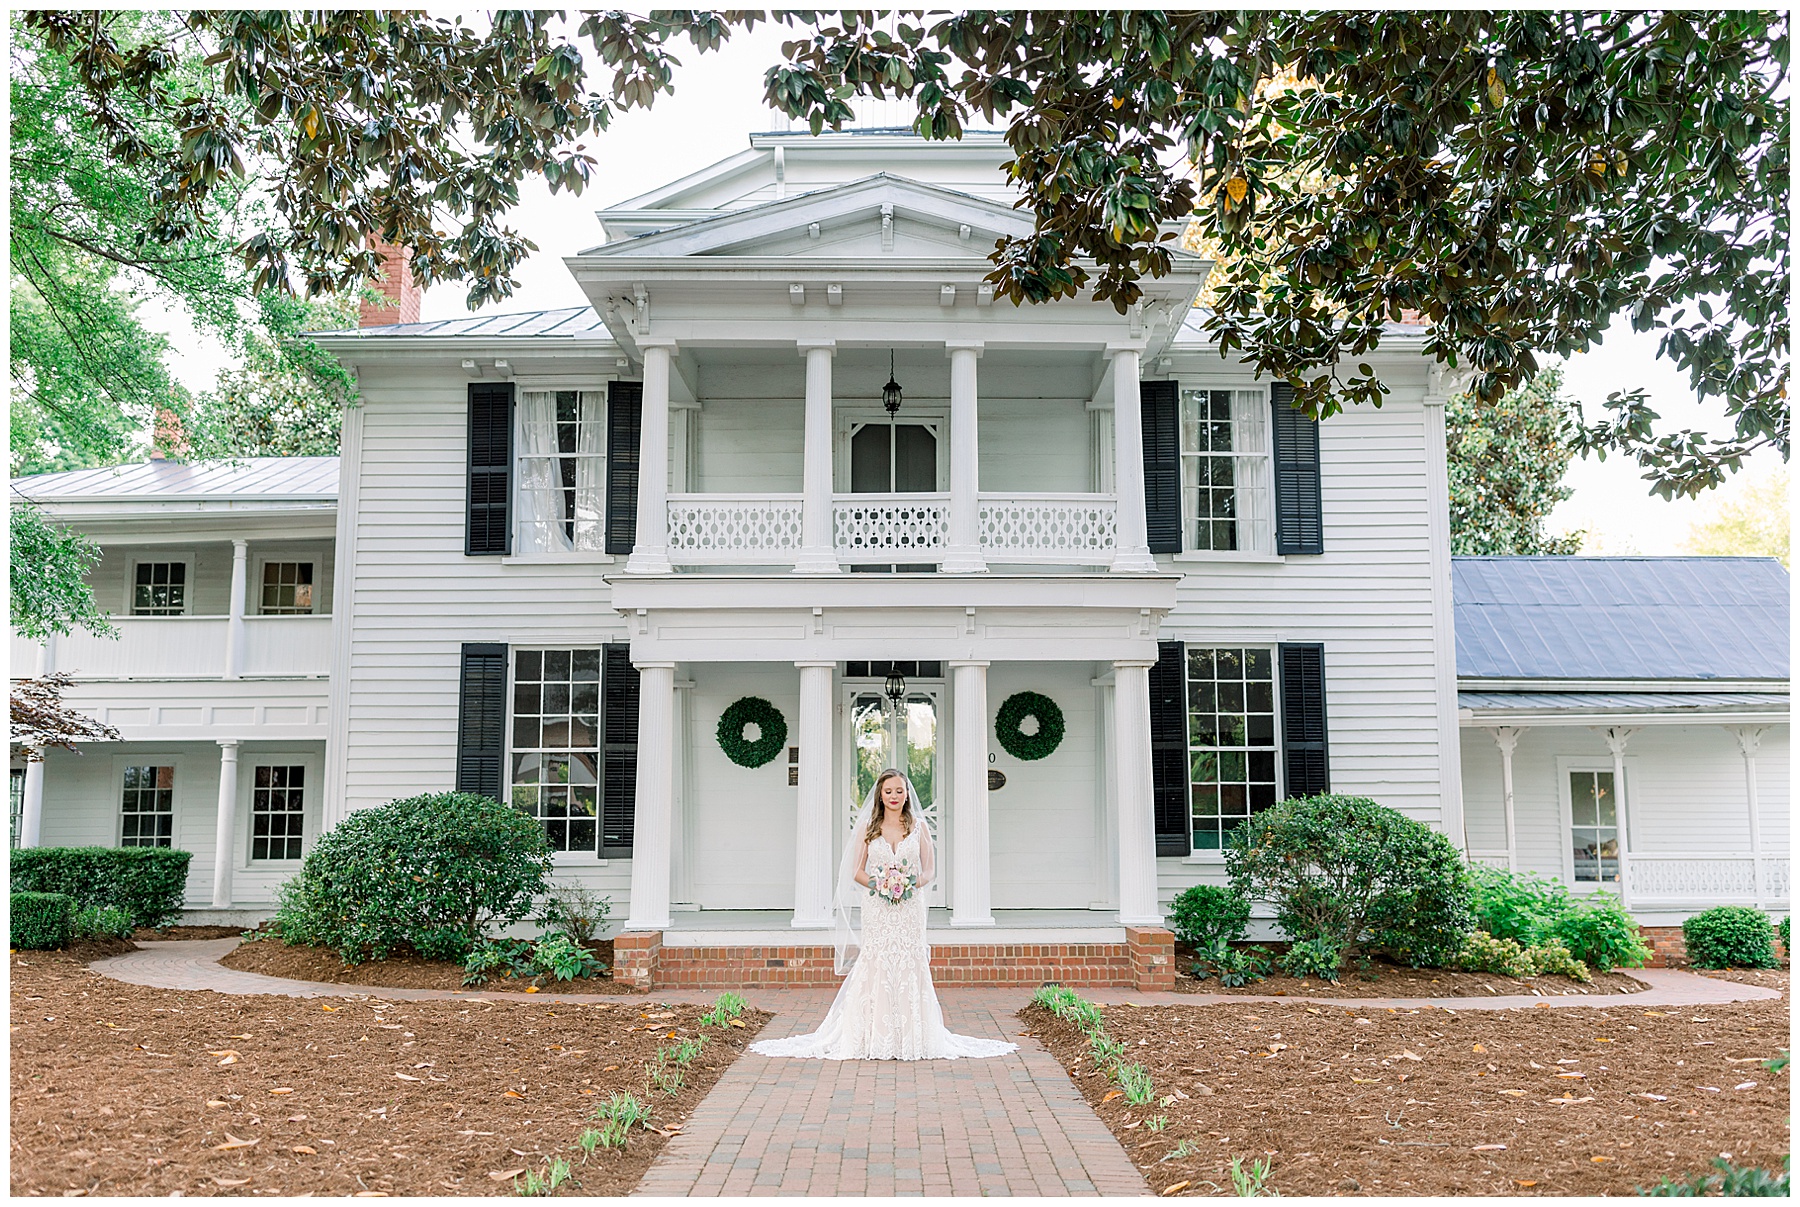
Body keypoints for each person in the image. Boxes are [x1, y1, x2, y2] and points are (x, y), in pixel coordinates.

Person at [749, 768, 1018, 1061]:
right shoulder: (868, 826)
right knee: (877, 960)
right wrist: (882, 885)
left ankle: (913, 1037)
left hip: (910, 907)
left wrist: (910, 883)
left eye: (899, 791)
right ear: (880, 794)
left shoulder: (918, 827)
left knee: (908, 960)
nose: (894, 796)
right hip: (877, 907)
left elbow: (929, 869)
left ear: (906, 794)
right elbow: (856, 871)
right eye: (888, 791)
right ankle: (872, 1035)